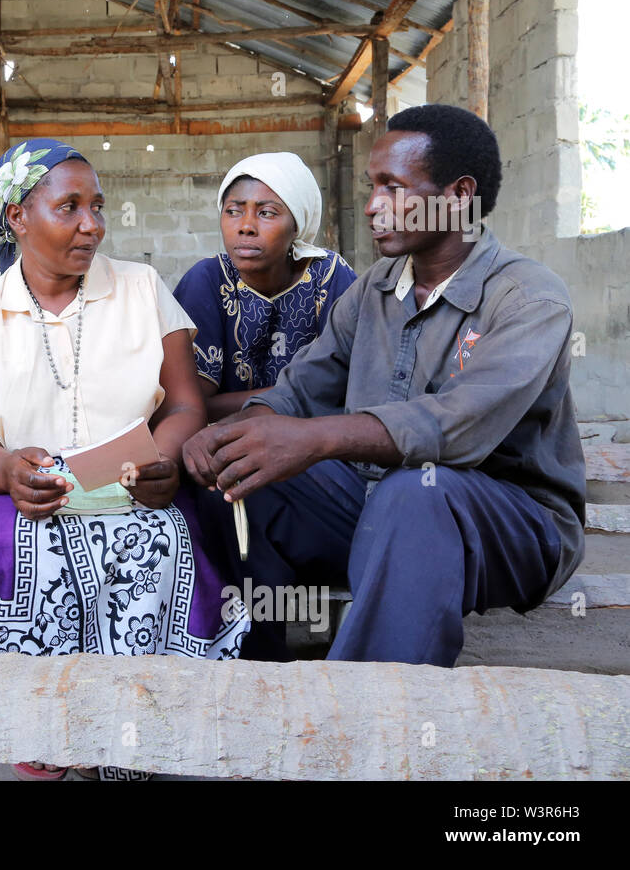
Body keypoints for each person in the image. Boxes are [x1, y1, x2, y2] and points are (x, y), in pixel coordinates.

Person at [185, 104, 585, 668]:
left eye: (393, 188)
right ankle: (257, 674)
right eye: (374, 186)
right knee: (235, 465)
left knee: (417, 490)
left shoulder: (527, 298)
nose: (373, 205)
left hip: (507, 529)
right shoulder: (373, 288)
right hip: (374, 507)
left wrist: (316, 439)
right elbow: (298, 391)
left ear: (458, 194)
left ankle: (368, 719)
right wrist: (230, 430)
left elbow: (457, 426)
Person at [0, 139, 249, 782]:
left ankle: (141, 722)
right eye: (70, 207)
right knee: (18, 548)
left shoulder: (142, 289)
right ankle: (45, 722)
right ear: (18, 216)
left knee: (165, 540)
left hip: (140, 481)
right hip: (28, 489)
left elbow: (187, 407)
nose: (92, 224)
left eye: (98, 207)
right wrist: (7, 473)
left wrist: (164, 460)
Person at [173, 152, 357, 421]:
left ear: (297, 223)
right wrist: (298, 395)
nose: (246, 226)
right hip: (225, 441)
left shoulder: (329, 277)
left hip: (313, 442)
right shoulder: (209, 279)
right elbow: (192, 404)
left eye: (267, 213)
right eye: (233, 211)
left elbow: (355, 388)